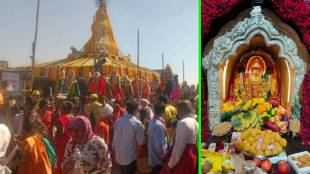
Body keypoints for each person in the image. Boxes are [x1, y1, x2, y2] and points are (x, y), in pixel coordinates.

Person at [160, 100, 198, 174]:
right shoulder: (195, 121)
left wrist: (170, 165)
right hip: (192, 157)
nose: (177, 113)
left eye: (178, 110)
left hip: (184, 159)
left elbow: (178, 148)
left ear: (182, 110)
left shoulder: (183, 123)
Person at [113, 99, 145, 174]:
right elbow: (141, 142)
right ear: (136, 109)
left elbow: (114, 141)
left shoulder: (118, 121)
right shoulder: (137, 123)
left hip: (119, 157)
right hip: (129, 158)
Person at [54, 101, 74, 174]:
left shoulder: (61, 119)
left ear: (63, 109)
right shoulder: (74, 118)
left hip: (63, 144)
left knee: (61, 163)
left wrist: (55, 138)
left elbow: (61, 131)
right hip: (73, 143)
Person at [148, 102, 168, 174]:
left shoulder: (152, 121)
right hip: (158, 160)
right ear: (163, 112)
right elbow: (159, 145)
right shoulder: (158, 125)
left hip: (154, 157)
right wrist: (164, 157)